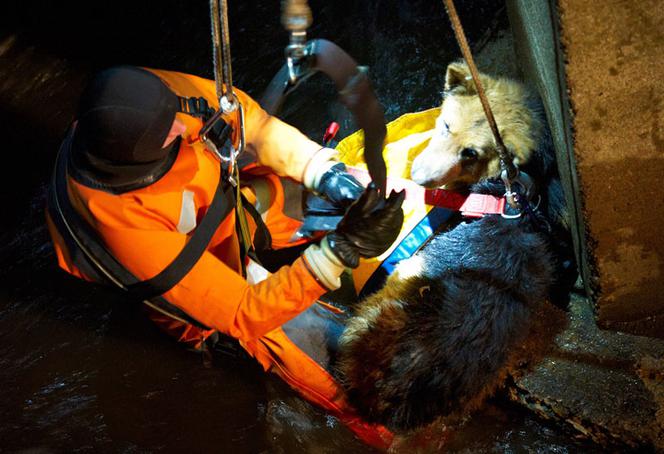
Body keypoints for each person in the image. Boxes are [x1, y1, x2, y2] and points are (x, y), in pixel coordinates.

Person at [46, 66, 404, 448]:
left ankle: (286, 226)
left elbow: (248, 120)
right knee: (358, 385)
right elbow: (242, 312)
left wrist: (320, 170)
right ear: (139, 159)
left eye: (174, 115)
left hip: (220, 207)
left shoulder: (156, 99)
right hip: (198, 283)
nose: (184, 127)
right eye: (170, 130)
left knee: (337, 196)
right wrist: (338, 253)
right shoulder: (124, 226)